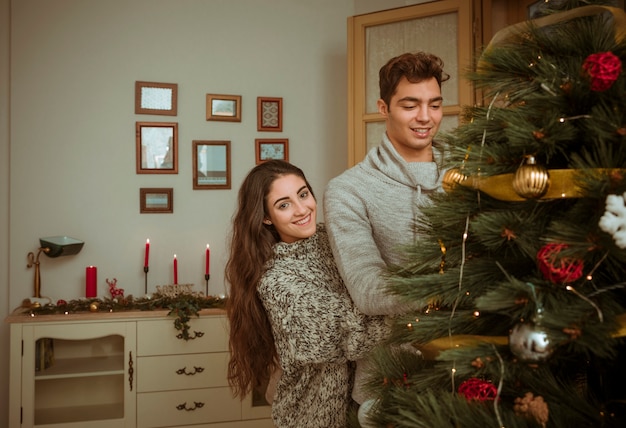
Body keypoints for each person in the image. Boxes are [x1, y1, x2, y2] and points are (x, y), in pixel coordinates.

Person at [323, 52, 450, 408]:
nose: (425, 117)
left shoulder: (471, 174)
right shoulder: (349, 190)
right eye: (410, 105)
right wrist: (463, 284)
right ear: (384, 107)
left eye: (434, 105)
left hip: (480, 369)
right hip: (394, 383)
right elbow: (367, 290)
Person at [225, 160, 389, 428]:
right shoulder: (276, 281)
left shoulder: (333, 237)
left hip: (367, 404)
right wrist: (416, 312)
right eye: (284, 204)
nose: (302, 209)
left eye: (303, 194)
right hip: (316, 416)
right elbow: (350, 334)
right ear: (266, 217)